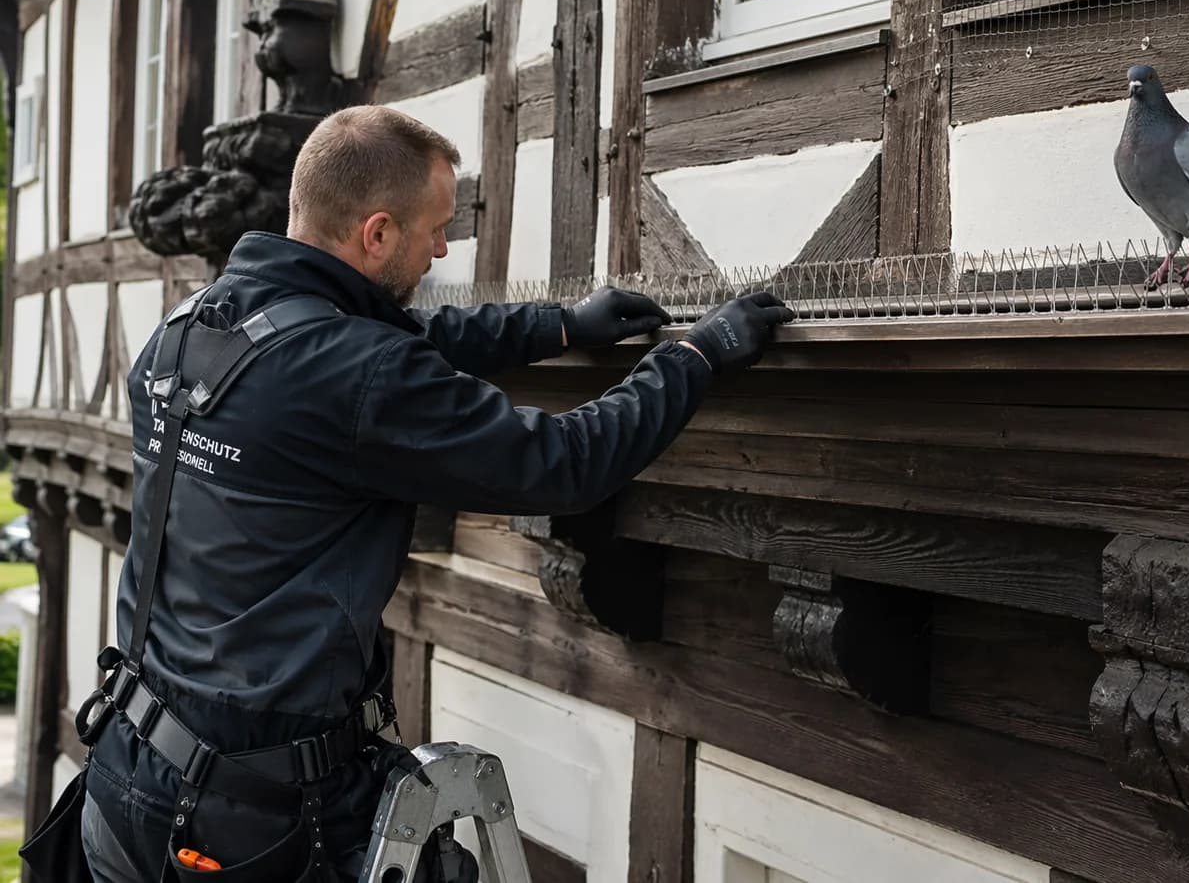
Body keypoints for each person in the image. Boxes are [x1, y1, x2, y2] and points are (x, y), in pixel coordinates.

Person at [79, 105, 793, 881]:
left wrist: (555, 328)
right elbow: (562, 462)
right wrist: (696, 357)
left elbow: (389, 344)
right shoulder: (349, 368)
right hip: (253, 826)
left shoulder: (186, 329)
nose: (443, 248)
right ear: (377, 234)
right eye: (435, 229)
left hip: (129, 766)